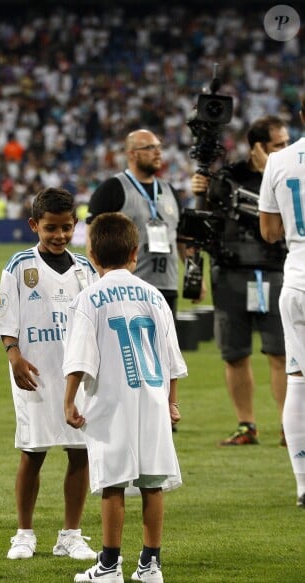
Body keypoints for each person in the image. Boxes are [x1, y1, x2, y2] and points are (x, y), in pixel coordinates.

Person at [64, 212, 187, 583]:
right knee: (152, 483)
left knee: (113, 484)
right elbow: (171, 357)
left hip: (111, 401)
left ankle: (109, 566)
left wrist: (69, 400)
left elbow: (79, 358)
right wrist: (171, 401)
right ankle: (150, 565)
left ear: (92, 255)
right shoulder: (153, 295)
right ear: (135, 253)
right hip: (151, 400)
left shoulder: (90, 298)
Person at [0, 187, 99, 562]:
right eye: (51, 228)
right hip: (33, 372)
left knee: (80, 453)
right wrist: (13, 355)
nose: (60, 235)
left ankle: (71, 534)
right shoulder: (19, 266)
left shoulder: (85, 269)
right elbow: (7, 317)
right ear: (35, 225)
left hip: (76, 376)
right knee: (33, 451)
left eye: (67, 227)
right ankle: (23, 533)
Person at [191, 115, 289, 446]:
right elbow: (207, 224)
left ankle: (289, 427)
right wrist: (199, 193)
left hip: (275, 270)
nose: (286, 149)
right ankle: (246, 426)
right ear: (258, 146)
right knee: (234, 353)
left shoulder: (290, 174)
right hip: (230, 273)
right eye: (279, 144)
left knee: (281, 353)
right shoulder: (228, 178)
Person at [86, 129, 190, 317]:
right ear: (132, 153)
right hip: (127, 289)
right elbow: (92, 240)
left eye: (159, 147)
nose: (158, 152)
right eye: (150, 147)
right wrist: (103, 283)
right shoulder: (111, 189)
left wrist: (193, 276)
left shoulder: (170, 191)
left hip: (167, 288)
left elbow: (180, 238)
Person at [259, 96, 305, 507]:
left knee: (297, 381)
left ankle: (303, 483)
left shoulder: (278, 161)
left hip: (297, 281)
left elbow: (270, 232)